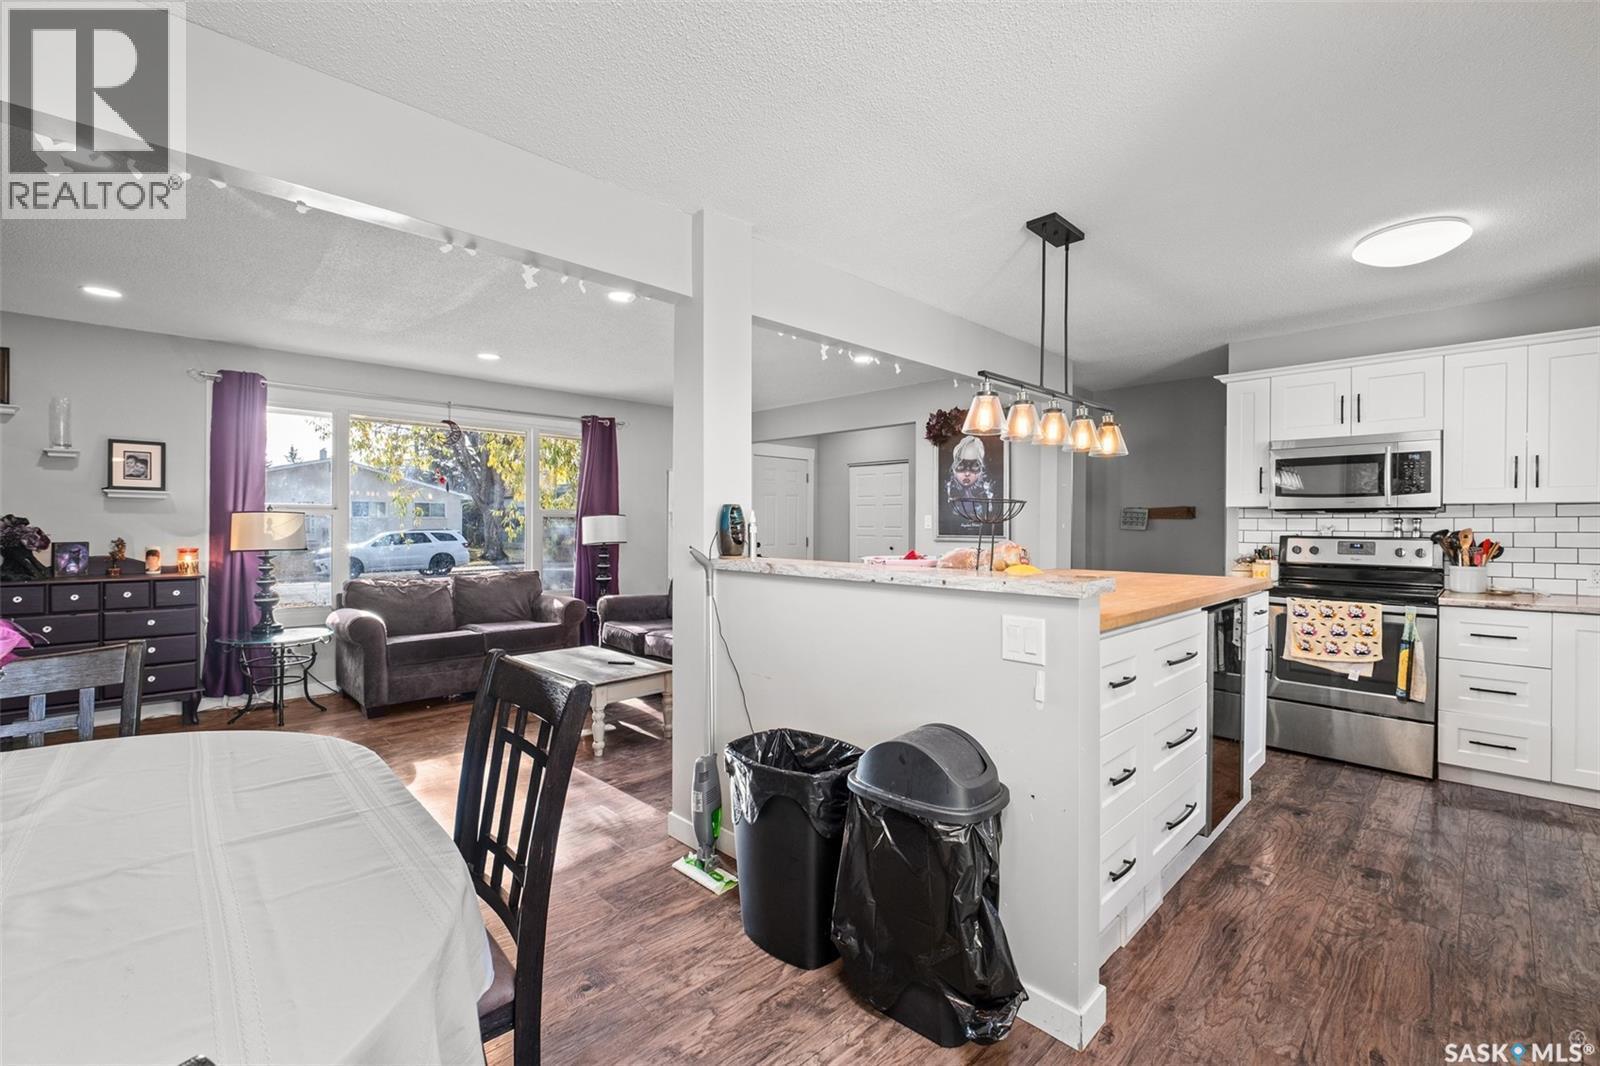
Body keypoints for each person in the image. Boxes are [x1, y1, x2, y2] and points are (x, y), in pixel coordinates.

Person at [945, 435, 997, 506]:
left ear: (981, 470)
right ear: (953, 469)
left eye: (974, 466)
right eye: (961, 466)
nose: (967, 473)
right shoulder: (948, 493)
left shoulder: (988, 495)